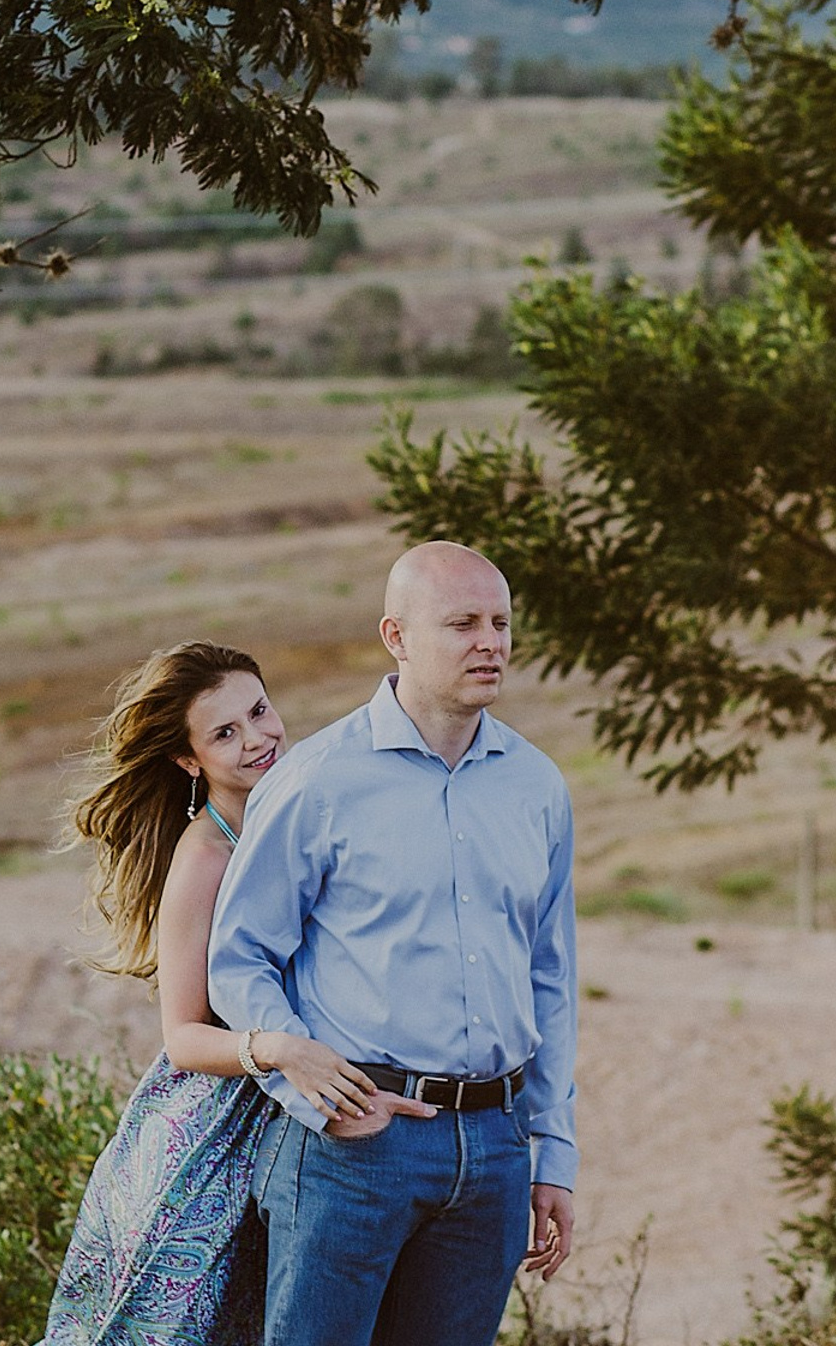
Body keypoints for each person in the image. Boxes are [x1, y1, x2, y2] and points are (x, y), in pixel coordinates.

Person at [208, 542, 578, 1346]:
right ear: (397, 636)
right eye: (463, 624)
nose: (492, 642)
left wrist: (554, 1153)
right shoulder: (316, 781)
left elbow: (551, 981)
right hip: (353, 1146)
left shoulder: (537, 786)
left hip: (495, 1145)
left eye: (501, 623)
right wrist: (306, 1091)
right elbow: (239, 958)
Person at [42, 641, 386, 1346]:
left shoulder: (304, 818)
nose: (258, 737)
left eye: (259, 711)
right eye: (225, 733)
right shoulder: (204, 859)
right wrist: (283, 1050)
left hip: (308, 1097)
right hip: (217, 1125)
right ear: (189, 761)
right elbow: (183, 1036)